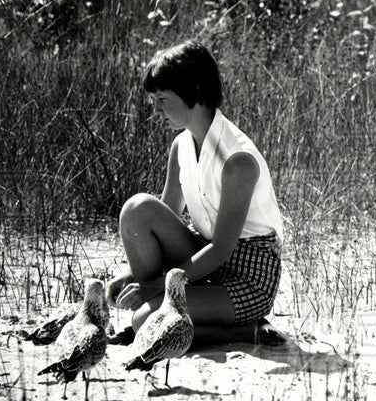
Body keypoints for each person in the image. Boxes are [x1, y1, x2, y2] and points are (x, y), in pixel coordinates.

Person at [105, 41, 286, 346]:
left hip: (248, 278)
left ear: (196, 91)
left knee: (145, 321)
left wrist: (155, 287)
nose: (155, 109)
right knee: (137, 209)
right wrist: (132, 277)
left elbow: (221, 249)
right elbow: (165, 216)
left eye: (162, 98)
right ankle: (170, 310)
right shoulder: (182, 145)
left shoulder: (237, 159)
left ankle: (246, 330)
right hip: (203, 256)